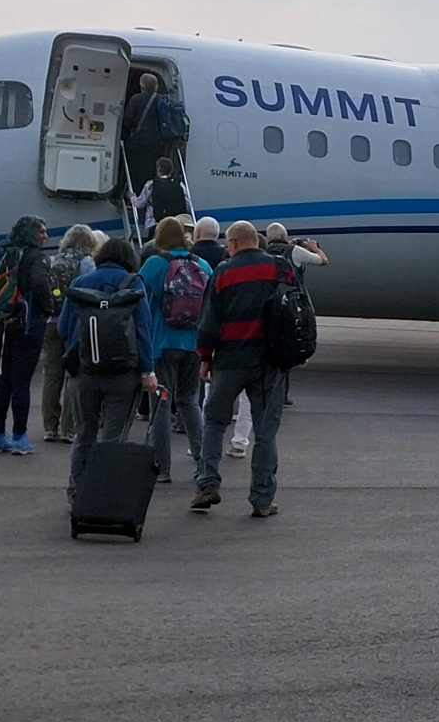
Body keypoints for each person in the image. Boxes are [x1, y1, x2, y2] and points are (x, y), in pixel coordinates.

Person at [193, 219, 285, 518]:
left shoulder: (223, 272)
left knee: (214, 421)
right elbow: (299, 310)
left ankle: (208, 483)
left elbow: (209, 322)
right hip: (269, 362)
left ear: (232, 244)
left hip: (230, 360)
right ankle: (262, 499)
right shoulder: (281, 269)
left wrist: (205, 358)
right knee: (265, 432)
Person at [57, 235, 156, 507]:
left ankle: (76, 492)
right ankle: (103, 497)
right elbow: (143, 329)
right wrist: (147, 369)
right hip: (123, 374)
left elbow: (63, 327)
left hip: (84, 371)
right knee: (114, 438)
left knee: (84, 434)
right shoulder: (134, 284)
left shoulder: (80, 282)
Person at [138, 215, 211, 486]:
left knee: (161, 405)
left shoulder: (155, 264)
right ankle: (203, 462)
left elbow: (136, 295)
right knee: (190, 402)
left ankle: (162, 467)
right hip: (193, 344)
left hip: (162, 342)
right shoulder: (202, 264)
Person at [0, 215, 57, 456]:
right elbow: (39, 284)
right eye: (42, 232)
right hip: (27, 324)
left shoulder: (1, 253)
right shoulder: (37, 257)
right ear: (32, 234)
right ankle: (19, 437)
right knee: (21, 382)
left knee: (2, 379)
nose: (46, 236)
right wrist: (48, 307)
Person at [36, 225, 98, 443]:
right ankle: (68, 428)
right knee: (74, 375)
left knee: (51, 376)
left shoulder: (53, 260)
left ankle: (49, 427)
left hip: (51, 322)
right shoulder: (86, 262)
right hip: (74, 324)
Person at [261, 223, 327, 408]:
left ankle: (268, 391)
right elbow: (323, 261)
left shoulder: (263, 252)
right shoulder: (295, 252)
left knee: (269, 346)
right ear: (284, 236)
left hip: (269, 305)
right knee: (288, 346)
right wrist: (314, 248)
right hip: (290, 306)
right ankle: (282, 394)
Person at [147, 156, 190, 225]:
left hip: (157, 222)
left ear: (158, 169)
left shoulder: (151, 184)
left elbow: (140, 203)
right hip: (177, 221)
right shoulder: (179, 184)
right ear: (172, 170)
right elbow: (187, 203)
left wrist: (132, 197)